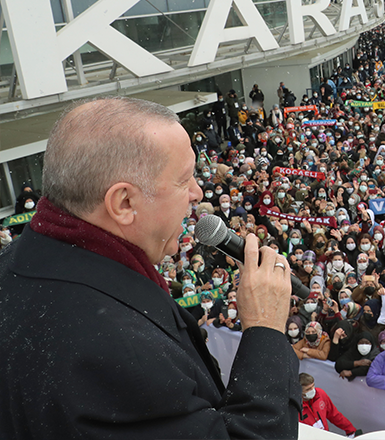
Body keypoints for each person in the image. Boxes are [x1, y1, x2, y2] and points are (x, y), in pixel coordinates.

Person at [0, 97, 300, 439]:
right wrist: (265, 330)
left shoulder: (17, 264)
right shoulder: (115, 352)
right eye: (183, 180)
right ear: (124, 202)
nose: (197, 193)